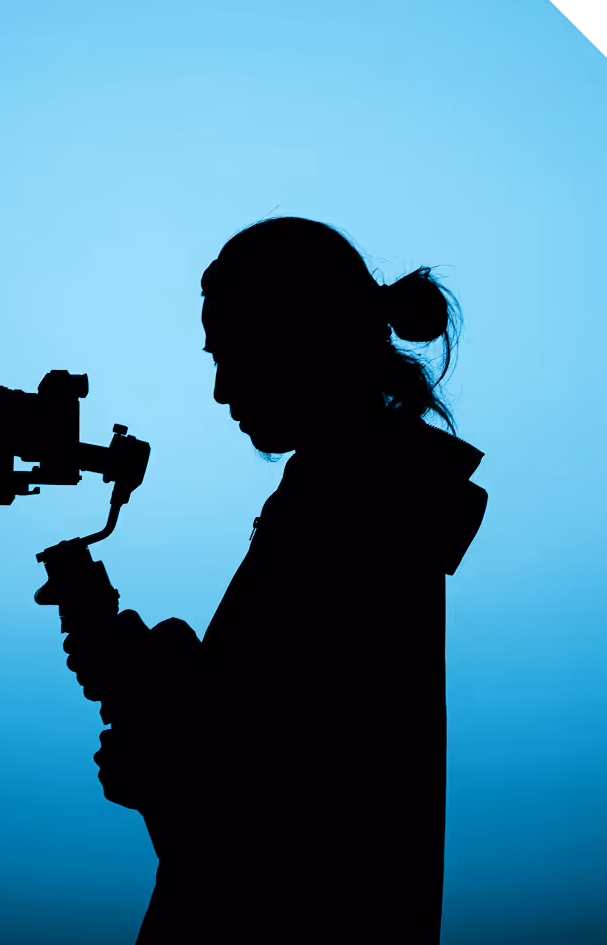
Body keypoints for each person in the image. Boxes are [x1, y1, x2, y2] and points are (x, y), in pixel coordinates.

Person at [59, 217, 487, 944]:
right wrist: (158, 691)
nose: (222, 390)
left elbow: (278, 806)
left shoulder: (349, 509)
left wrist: (158, 739)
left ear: (300, 341)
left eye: (233, 355)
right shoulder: (364, 494)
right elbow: (265, 727)